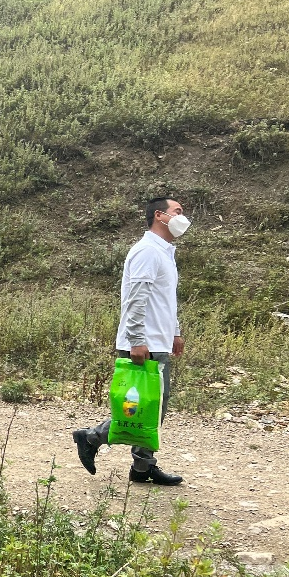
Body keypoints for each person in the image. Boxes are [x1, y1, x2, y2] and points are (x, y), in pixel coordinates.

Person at [73, 197, 190, 486]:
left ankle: (142, 467)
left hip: (158, 341)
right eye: (177, 211)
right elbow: (136, 299)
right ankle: (91, 437)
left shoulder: (164, 253)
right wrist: (136, 339)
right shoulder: (147, 251)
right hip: (144, 343)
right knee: (143, 407)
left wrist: (174, 332)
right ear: (159, 216)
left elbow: (165, 300)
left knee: (156, 405)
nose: (182, 217)